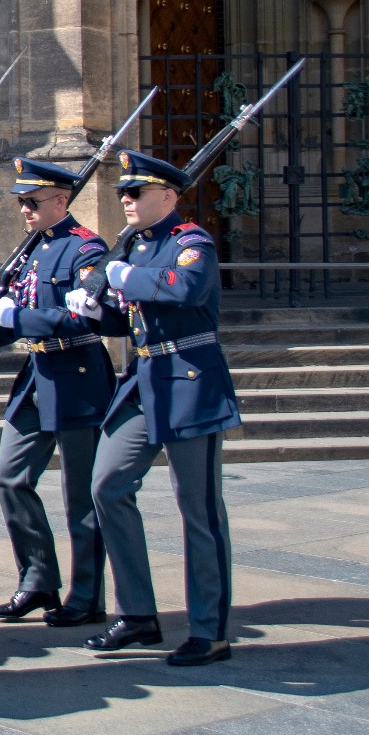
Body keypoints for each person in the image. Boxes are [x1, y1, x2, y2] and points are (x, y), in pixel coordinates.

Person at [65, 150, 239, 666]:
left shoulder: (192, 242)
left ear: (168, 195)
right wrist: (98, 313)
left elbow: (183, 290)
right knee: (108, 486)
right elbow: (130, 321)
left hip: (189, 383)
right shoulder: (137, 248)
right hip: (143, 381)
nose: (125, 200)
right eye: (122, 192)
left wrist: (119, 278)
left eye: (135, 192)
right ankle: (137, 613)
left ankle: (210, 629)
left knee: (199, 510)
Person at [0, 158, 113, 628]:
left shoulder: (88, 249)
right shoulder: (29, 250)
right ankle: (38, 579)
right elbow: (14, 309)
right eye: (22, 202)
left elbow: (84, 316)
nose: (24, 210)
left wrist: (17, 321)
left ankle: (87, 594)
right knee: (9, 477)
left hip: (78, 371)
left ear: (61, 201)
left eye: (33, 202)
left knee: (81, 494)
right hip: (37, 372)